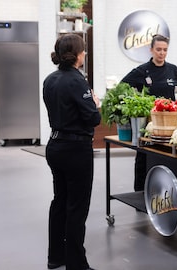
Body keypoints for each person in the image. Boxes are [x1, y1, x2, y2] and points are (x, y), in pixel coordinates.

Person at [43, 34, 100, 270]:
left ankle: (55, 257)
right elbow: (93, 118)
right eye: (83, 51)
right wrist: (95, 104)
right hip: (76, 150)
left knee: (60, 201)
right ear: (77, 55)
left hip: (55, 146)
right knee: (77, 206)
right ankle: (77, 264)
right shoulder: (78, 80)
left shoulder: (49, 79)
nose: (84, 54)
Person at [121, 34, 177, 191]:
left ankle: (165, 192)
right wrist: (137, 101)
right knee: (143, 157)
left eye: (165, 50)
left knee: (167, 157)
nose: (162, 53)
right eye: (158, 49)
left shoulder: (173, 70)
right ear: (151, 49)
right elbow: (123, 85)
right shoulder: (142, 70)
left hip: (169, 124)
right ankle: (140, 192)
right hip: (148, 125)